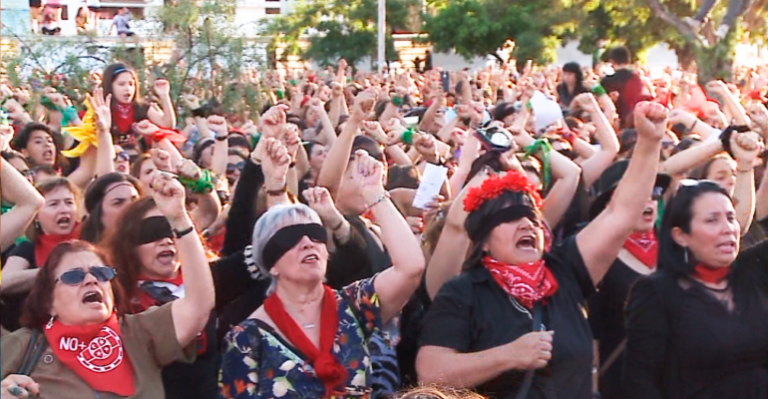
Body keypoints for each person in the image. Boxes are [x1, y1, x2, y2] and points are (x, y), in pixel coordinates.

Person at [415, 102, 668, 398]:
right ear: (483, 241)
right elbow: (430, 372)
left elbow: (620, 214)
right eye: (507, 218)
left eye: (531, 217)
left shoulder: (565, 270)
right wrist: (509, 355)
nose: (525, 224)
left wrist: (650, 142)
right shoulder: (463, 292)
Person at [218, 150, 425, 398]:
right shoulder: (246, 340)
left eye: (315, 233)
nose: (307, 242)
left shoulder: (355, 307)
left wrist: (373, 192)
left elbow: (410, 268)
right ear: (269, 263)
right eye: (289, 238)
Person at [0, 171, 215, 398]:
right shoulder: (22, 347)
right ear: (48, 301)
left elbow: (198, 305)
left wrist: (180, 220)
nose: (91, 280)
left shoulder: (138, 333)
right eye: (74, 277)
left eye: (101, 273)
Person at [624, 179, 768, 399]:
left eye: (730, 218)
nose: (728, 229)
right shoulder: (657, 292)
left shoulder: (752, 274)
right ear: (681, 236)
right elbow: (640, 381)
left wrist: (746, 164)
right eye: (712, 220)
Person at [586, 160, 671, 399]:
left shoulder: (674, 250)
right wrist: (592, 390)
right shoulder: (599, 258)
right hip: (620, 383)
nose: (649, 202)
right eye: (639, 194)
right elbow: (592, 334)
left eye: (653, 194)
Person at [1, 178, 81, 332]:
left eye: (69, 202)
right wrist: (56, 271)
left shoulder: (92, 241)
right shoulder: (26, 249)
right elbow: (4, 282)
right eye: (54, 204)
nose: (64, 209)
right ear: (36, 215)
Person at [101, 63, 175, 146]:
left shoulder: (141, 106)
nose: (128, 88)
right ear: (110, 86)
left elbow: (167, 125)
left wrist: (164, 95)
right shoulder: (101, 109)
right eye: (121, 84)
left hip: (141, 156)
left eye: (131, 84)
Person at [80, 172, 143, 243]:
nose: (130, 208)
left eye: (135, 201)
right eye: (118, 203)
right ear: (98, 214)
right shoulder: (85, 253)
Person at [601, 47, 652, 128]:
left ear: (612, 62)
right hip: (635, 120)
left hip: (614, 121)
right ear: (628, 60)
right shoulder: (637, 79)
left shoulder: (606, 81)